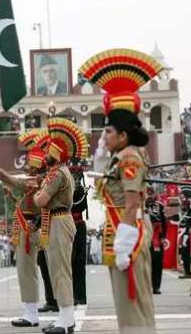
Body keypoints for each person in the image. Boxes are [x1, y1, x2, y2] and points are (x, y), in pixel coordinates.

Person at [79, 48, 162, 334]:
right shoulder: (122, 155)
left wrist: (125, 243)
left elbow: (130, 203)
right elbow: (102, 182)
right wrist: (102, 150)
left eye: (109, 132)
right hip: (121, 227)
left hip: (129, 228)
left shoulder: (129, 158)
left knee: (134, 304)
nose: (104, 136)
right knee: (126, 306)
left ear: (123, 134)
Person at [0, 129, 48, 328]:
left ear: (36, 167)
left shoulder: (34, 183)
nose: (26, 168)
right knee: (27, 269)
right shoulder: (40, 183)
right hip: (29, 227)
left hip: (28, 230)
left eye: (29, 165)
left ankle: (31, 314)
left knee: (26, 270)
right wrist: (14, 198)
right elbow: (30, 205)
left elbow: (4, 176)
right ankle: (30, 310)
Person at [34, 118, 87, 334]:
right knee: (56, 271)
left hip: (58, 220)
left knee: (61, 271)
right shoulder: (57, 172)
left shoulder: (57, 174)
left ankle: (66, 322)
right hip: (54, 220)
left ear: (57, 151)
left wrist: (38, 193)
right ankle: (63, 318)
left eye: (47, 148)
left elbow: (40, 200)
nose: (44, 152)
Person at [70, 163, 88, 305]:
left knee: (79, 262)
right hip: (68, 226)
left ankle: (80, 295)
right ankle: (71, 294)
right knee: (69, 261)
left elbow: (80, 206)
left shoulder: (80, 190)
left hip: (78, 226)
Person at [146, 188, 166, 295]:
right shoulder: (140, 205)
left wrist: (163, 237)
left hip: (156, 237)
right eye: (147, 193)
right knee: (145, 264)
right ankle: (146, 287)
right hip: (144, 238)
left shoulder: (159, 206)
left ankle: (156, 286)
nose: (149, 196)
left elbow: (163, 222)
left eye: (151, 193)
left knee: (157, 263)